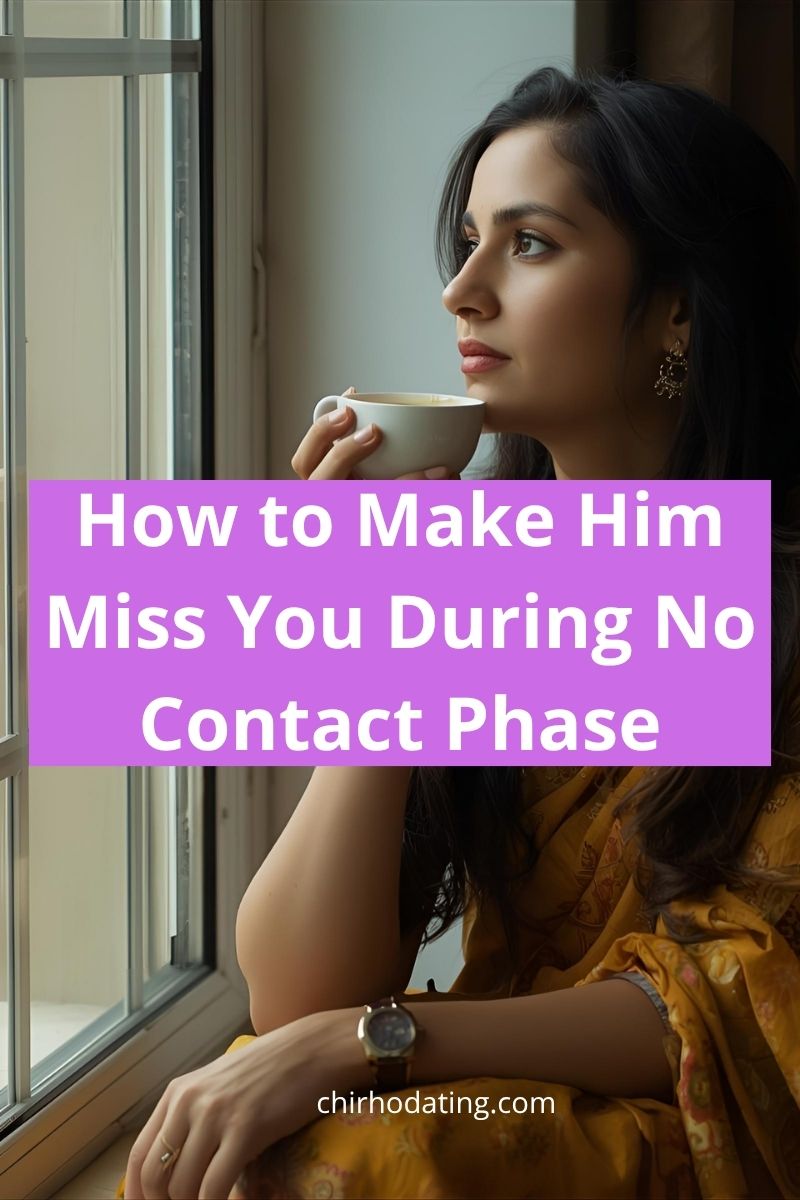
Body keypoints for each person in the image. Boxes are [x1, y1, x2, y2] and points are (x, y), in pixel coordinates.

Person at [121, 67, 800, 1200]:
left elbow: (743, 1001)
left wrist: (368, 1044)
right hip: (508, 1080)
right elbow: (294, 990)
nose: (460, 291)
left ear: (676, 304)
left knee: (339, 1139)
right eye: (469, 240)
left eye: (527, 244)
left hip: (700, 1116)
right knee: (237, 1117)